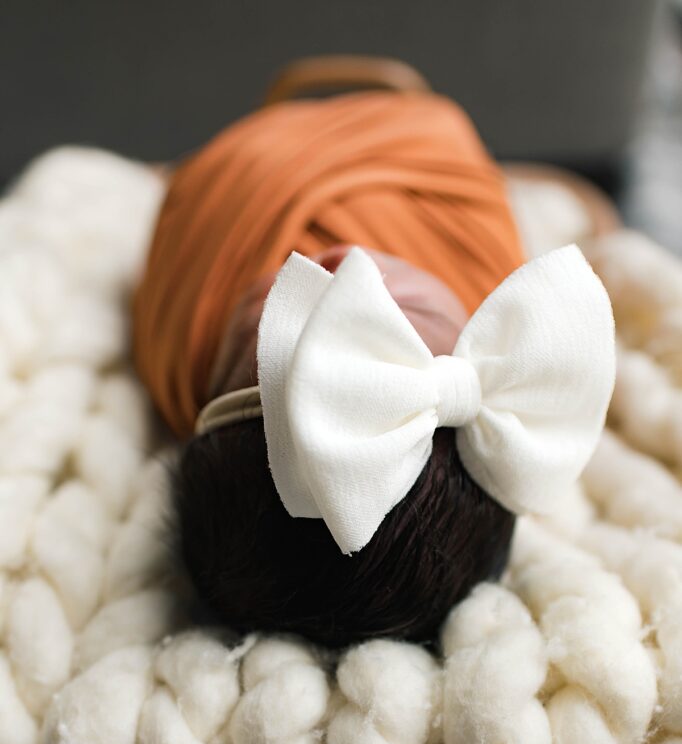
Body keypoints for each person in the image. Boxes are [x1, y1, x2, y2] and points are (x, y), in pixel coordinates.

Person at [133, 60, 614, 647]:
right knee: (442, 133)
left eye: (281, 337)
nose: (347, 275)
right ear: (467, 356)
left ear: (208, 393)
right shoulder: (502, 301)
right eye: (395, 327)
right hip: (417, 163)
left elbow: (188, 218)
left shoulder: (186, 334)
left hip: (243, 177)